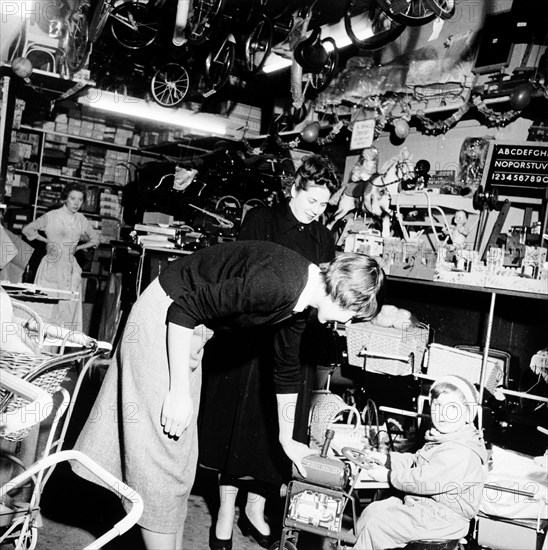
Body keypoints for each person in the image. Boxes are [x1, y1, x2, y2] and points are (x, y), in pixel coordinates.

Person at [72, 240, 385, 550]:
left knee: (180, 456)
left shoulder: (301, 302)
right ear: (343, 295)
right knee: (163, 456)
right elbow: (183, 309)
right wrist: (179, 392)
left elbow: (286, 369)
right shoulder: (278, 283)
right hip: (165, 318)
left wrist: (289, 440)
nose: (346, 323)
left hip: (190, 327)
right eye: (352, 315)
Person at [199, 154, 339, 549]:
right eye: (311, 200)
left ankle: (255, 509)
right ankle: (226, 510)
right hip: (250, 344)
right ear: (295, 188)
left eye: (324, 205)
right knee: (239, 430)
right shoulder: (261, 220)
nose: (316, 211)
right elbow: (240, 280)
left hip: (293, 346)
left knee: (279, 433)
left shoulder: (323, 237)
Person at [354, 375, 488, 550]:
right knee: (374, 510)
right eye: (437, 406)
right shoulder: (443, 439)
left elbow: (425, 479)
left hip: (445, 517)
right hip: (426, 506)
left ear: (468, 415)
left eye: (452, 408)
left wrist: (388, 476)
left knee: (380, 525)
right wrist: (386, 459)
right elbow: (416, 462)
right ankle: (355, 544)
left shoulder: (461, 450)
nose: (443, 414)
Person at [21, 183, 99, 331]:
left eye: (80, 200)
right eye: (72, 198)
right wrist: (47, 241)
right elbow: (27, 230)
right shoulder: (52, 216)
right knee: (46, 311)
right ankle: (40, 349)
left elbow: (95, 239)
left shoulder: (81, 219)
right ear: (65, 198)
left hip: (70, 267)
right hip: (51, 265)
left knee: (67, 312)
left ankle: (60, 350)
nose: (76, 203)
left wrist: (78, 248)